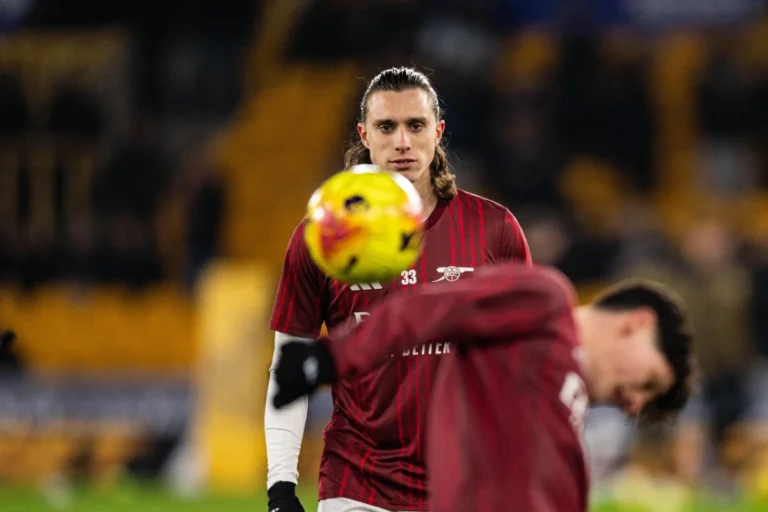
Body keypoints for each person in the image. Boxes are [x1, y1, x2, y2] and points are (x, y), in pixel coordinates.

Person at [266, 67, 531, 512]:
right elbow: (287, 365)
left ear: (438, 132)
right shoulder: (321, 237)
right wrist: (280, 487)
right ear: (364, 135)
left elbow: (526, 363)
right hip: (358, 484)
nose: (402, 142)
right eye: (387, 127)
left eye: (416, 125)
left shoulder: (494, 229)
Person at [272, 263, 695, 512]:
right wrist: (330, 358)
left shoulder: (572, 429)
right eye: (650, 383)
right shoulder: (547, 304)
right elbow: (431, 309)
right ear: (639, 324)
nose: (635, 403)